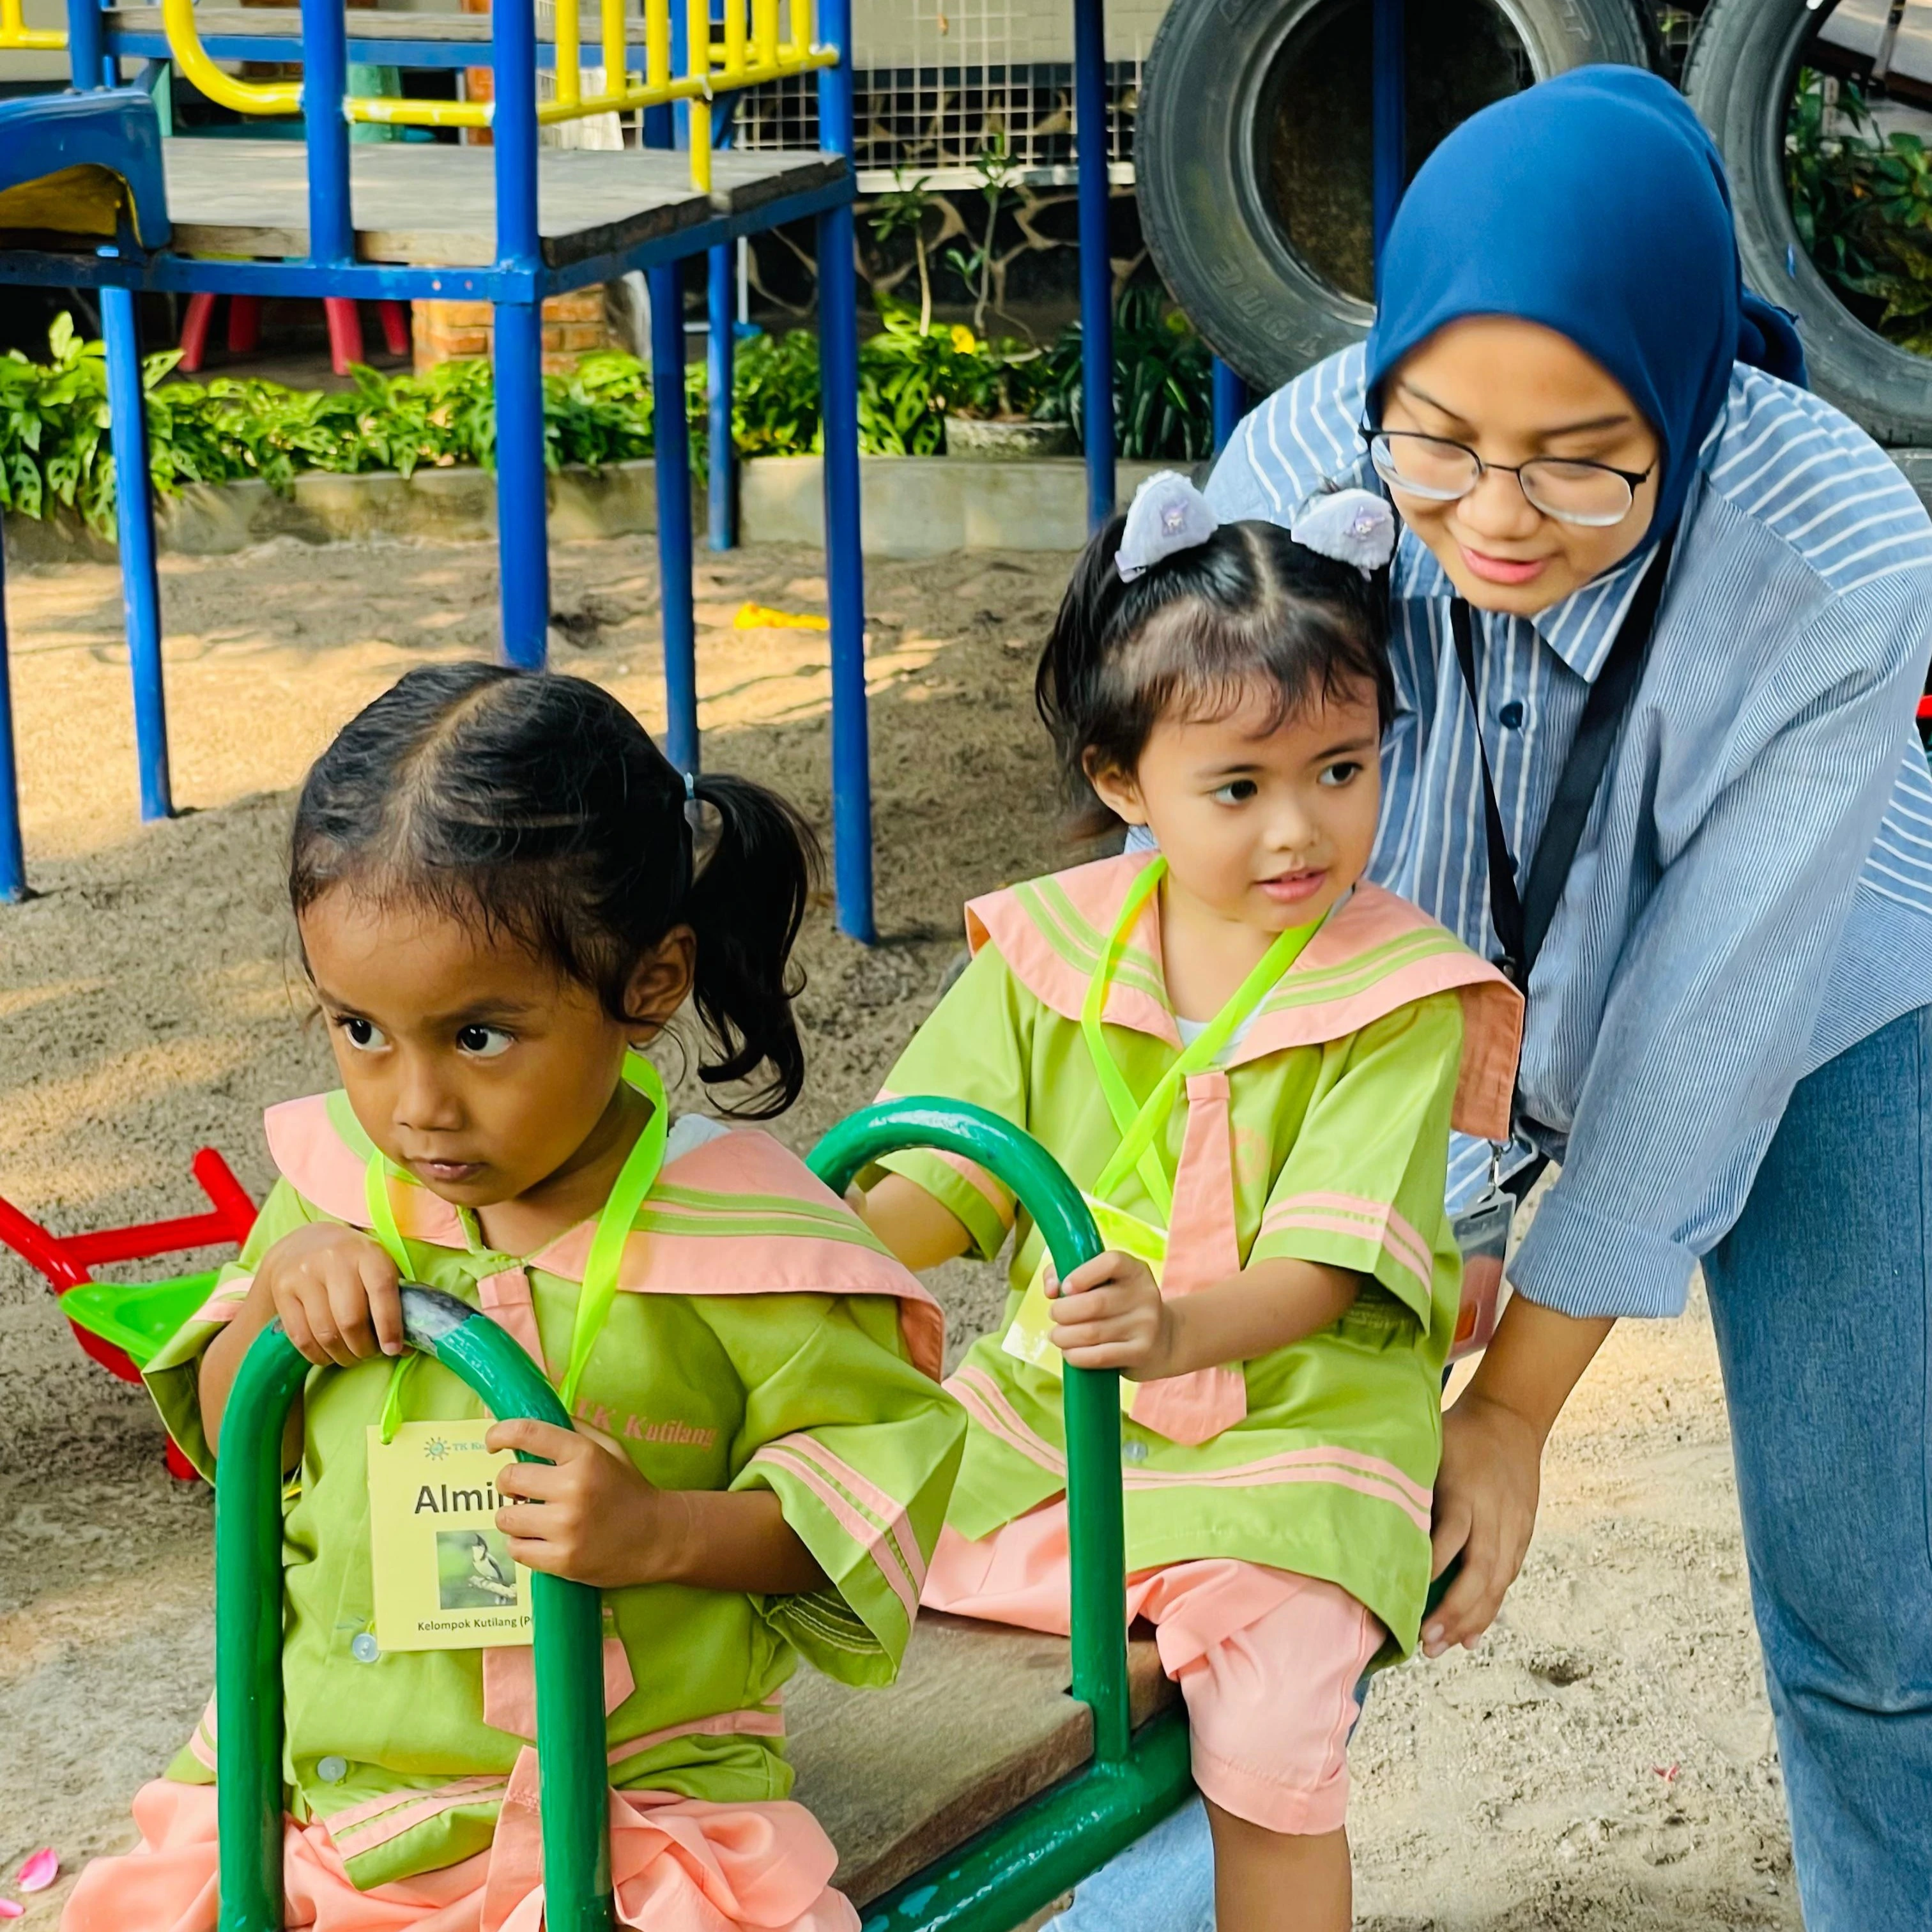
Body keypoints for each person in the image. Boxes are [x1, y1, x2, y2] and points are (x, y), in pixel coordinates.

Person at [1062, 66, 1932, 1932]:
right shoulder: (1312, 462)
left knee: (1879, 1609)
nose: (1499, 517)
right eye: (1443, 443)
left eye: (1584, 456)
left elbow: (1712, 1021)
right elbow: (1209, 859)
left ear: (1691, 398)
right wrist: (1383, 1200)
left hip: (1833, 984)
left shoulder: (1839, 555)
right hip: (1410, 971)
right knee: (1223, 1501)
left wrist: (1518, 1408)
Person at [63, 664, 966, 1932]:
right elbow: (228, 1436)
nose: (415, 1105)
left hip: (630, 1817)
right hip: (317, 1805)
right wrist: (275, 1302)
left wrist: (660, 1534)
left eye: (478, 1038)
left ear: (650, 980)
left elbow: (859, 1511)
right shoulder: (334, 1191)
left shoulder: (748, 1239)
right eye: (360, 1030)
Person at [852, 472, 1524, 1932]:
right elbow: (937, 1180)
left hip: (1296, 1432)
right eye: (1239, 789)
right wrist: (806, 1260)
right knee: (846, 1550)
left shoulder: (1394, 995)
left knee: (1280, 1709)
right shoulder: (1048, 949)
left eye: (1343, 771)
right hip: (1055, 1420)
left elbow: (1326, 1275)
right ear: (1119, 783)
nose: (1300, 832)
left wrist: (1174, 1331)